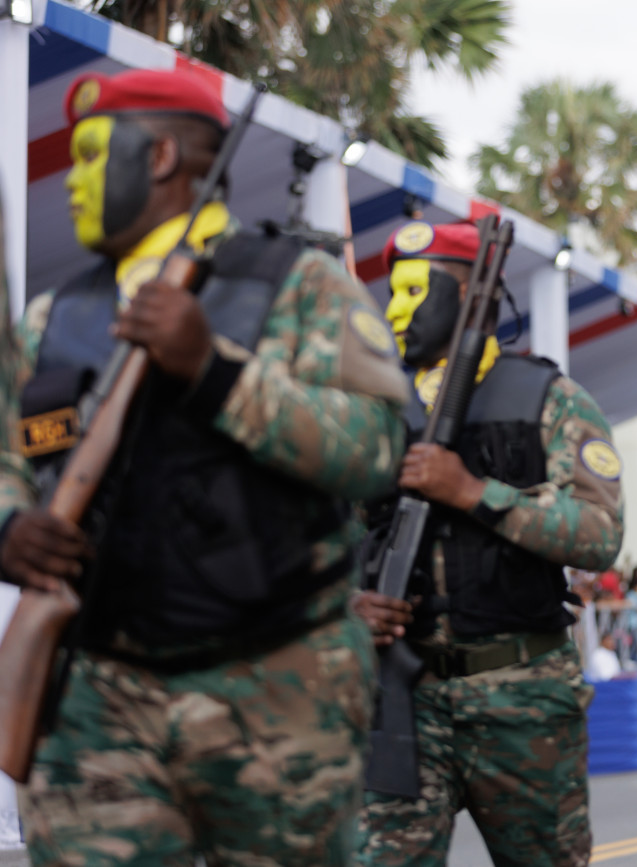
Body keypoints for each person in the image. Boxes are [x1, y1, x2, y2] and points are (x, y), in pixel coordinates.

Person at [0, 67, 409, 865]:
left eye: (90, 156)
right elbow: (10, 457)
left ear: (159, 158)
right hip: (98, 691)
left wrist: (214, 371)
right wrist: (11, 526)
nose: (71, 179)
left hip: (276, 686)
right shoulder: (52, 317)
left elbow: (375, 450)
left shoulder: (301, 285)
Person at [351, 219, 624, 866]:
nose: (395, 310)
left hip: (522, 694)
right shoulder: (373, 407)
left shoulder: (551, 400)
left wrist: (474, 492)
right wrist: (348, 601)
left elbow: (600, 533)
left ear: (471, 293)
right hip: (403, 697)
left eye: (415, 291)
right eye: (393, 293)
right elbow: (320, 537)